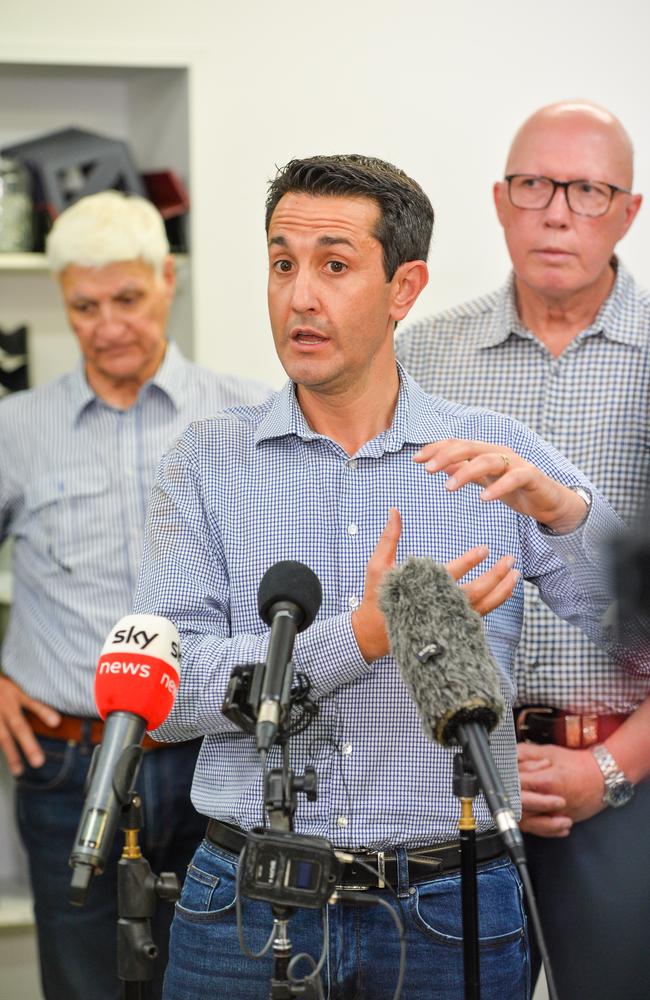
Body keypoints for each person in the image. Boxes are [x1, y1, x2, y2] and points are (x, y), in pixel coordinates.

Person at [132, 154, 641, 1000]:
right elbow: (171, 692)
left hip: (450, 911)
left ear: (404, 288)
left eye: (334, 266)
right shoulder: (207, 463)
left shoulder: (494, 457)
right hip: (245, 909)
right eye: (282, 263)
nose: (300, 296)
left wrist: (568, 515)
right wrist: (364, 637)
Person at [396, 100, 650, 1000]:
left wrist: (610, 769)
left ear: (630, 211)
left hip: (620, 776)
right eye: (536, 185)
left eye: (589, 190)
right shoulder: (419, 357)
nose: (556, 210)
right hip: (448, 782)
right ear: (500, 202)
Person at [0, 190, 271, 1000]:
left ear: (168, 279)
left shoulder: (248, 417)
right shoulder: (17, 429)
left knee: (220, 979)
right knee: (85, 986)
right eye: (85, 306)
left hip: (214, 757)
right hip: (67, 765)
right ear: (63, 304)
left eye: (128, 298)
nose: (109, 324)